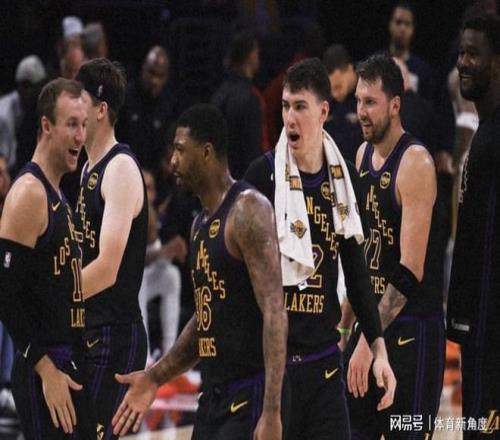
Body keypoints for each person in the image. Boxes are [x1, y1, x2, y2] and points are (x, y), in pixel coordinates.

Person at [111, 104, 289, 440]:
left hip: (249, 393)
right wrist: (155, 376)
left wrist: (272, 410)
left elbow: (275, 311)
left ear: (206, 152)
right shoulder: (199, 225)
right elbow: (206, 319)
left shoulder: (248, 210)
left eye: (180, 150)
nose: (172, 161)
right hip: (213, 395)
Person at [244, 57, 395, 440]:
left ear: (324, 111)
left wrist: (378, 349)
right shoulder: (262, 177)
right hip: (275, 371)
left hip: (325, 366)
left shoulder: (344, 181)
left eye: (300, 107)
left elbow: (357, 275)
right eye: (285, 106)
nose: (289, 118)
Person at [344, 53, 444, 439]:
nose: (361, 111)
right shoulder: (361, 155)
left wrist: (369, 340)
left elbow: (409, 270)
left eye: (370, 102)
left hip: (412, 332)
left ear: (395, 105)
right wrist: (345, 319)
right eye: (358, 101)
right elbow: (363, 250)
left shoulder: (415, 163)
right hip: (372, 324)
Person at [0, 78, 89, 438]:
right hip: (45, 368)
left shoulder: (57, 194)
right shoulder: (29, 193)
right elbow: (5, 293)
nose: (81, 137)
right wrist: (46, 369)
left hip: (68, 360)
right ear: (46, 126)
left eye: (84, 125)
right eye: (71, 124)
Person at [74, 58, 148, 440]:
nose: (72, 108)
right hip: (88, 328)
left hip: (115, 336)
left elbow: (106, 268)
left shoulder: (120, 168)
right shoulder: (87, 168)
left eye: (80, 100)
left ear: (101, 109)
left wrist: (55, 297)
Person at [447, 14, 500, 438]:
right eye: (461, 53)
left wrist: (474, 327)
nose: (464, 62)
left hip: (488, 336)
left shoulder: (493, 143)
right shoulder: (484, 134)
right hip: (477, 333)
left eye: (474, 54)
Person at [139, 168, 184, 363]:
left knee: (171, 276)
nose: (145, 193)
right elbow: (132, 261)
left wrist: (169, 253)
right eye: (142, 187)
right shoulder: (128, 213)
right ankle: (145, 358)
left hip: (142, 283)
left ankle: (168, 355)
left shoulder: (155, 215)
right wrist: (162, 253)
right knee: (138, 279)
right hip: (117, 290)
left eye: (149, 188)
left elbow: (155, 256)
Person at [117, 46, 180, 179]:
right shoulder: (125, 99)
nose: (154, 81)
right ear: (143, 69)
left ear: (166, 77)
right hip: (125, 173)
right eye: (151, 73)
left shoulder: (169, 106)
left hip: (155, 180)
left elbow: (169, 149)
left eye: (160, 76)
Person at [211, 31, 268, 178]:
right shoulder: (251, 97)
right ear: (250, 56)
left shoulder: (219, 95)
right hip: (245, 179)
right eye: (256, 52)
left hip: (220, 177)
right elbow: (253, 147)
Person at [322, 44, 363, 163]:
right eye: (331, 90)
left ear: (350, 69)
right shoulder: (329, 103)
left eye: (338, 86)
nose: (334, 94)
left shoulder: (370, 91)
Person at [387, 2, 434, 100]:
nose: (402, 28)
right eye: (398, 22)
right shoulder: (376, 62)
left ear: (413, 29)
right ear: (390, 25)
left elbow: (426, 104)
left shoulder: (422, 70)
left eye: (407, 24)